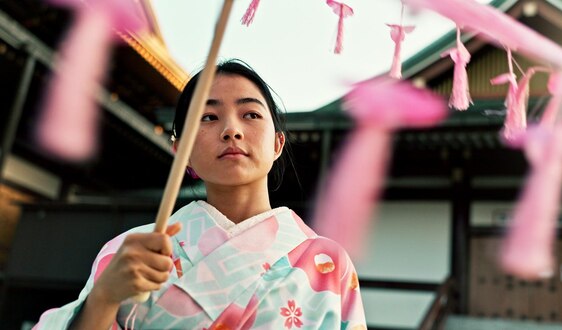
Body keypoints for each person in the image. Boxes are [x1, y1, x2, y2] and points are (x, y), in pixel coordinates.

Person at [34, 59, 367, 329]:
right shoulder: (131, 252)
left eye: (250, 114)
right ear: (182, 153)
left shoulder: (328, 263)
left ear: (278, 144)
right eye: (208, 117)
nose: (231, 130)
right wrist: (104, 297)